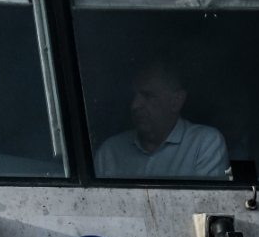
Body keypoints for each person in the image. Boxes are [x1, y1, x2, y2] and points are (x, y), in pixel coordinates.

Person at [95, 61, 228, 179]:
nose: (135, 105)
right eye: (133, 96)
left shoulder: (204, 144)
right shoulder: (110, 151)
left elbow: (207, 205)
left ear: (176, 101)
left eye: (147, 95)